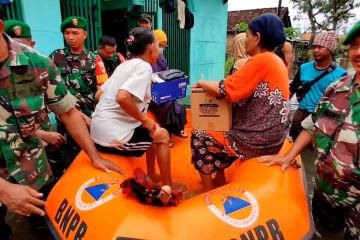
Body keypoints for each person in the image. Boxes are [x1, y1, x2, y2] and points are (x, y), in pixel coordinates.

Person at [0, 7, 122, 238]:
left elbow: (68, 111)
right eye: (67, 32)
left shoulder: (37, 63)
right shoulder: (57, 55)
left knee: (45, 226)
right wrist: (3, 189)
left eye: (76, 32)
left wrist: (94, 155)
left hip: (33, 168)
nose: (71, 37)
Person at [259, 21, 360, 240]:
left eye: (320, 47)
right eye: (354, 45)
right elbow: (314, 124)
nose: (358, 52)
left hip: (357, 206)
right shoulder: (339, 88)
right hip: (326, 191)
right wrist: (287, 157)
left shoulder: (336, 74)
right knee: (322, 233)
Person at [191, 14, 290, 191]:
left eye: (247, 35)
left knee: (199, 135)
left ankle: (207, 190)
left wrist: (201, 83)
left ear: (257, 37)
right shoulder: (278, 61)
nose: (245, 41)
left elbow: (227, 89)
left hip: (256, 138)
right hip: (273, 137)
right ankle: (218, 176)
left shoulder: (261, 60)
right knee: (221, 126)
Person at [91, 27, 178, 188]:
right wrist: (144, 120)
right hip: (111, 139)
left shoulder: (123, 66)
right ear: (152, 48)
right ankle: (169, 187)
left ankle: (151, 174)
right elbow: (122, 97)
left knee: (153, 130)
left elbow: (99, 95)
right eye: (159, 45)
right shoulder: (144, 67)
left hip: (97, 133)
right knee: (163, 135)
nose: (160, 50)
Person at [289, 31, 346, 140]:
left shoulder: (341, 75)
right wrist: (282, 108)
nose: (315, 50)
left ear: (330, 50)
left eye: (320, 47)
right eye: (314, 46)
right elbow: (292, 89)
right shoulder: (304, 68)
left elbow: (341, 105)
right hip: (300, 114)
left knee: (316, 151)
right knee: (292, 146)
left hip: (322, 118)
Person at [148, 29, 188, 146]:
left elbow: (166, 74)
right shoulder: (145, 59)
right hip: (151, 95)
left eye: (164, 46)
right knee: (168, 107)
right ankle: (167, 135)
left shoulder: (161, 57)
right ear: (153, 44)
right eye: (160, 45)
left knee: (177, 104)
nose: (162, 48)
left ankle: (178, 129)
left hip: (163, 91)